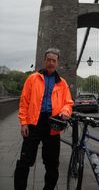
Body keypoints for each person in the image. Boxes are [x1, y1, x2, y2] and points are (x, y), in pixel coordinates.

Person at [14, 48, 74, 190]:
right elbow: (24, 102)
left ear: (57, 63)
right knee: (25, 161)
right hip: (33, 123)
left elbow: (68, 102)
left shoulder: (63, 83)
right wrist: (23, 123)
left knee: (52, 163)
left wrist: (66, 111)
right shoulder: (32, 78)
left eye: (54, 61)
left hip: (53, 124)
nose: (51, 63)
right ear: (44, 61)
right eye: (48, 60)